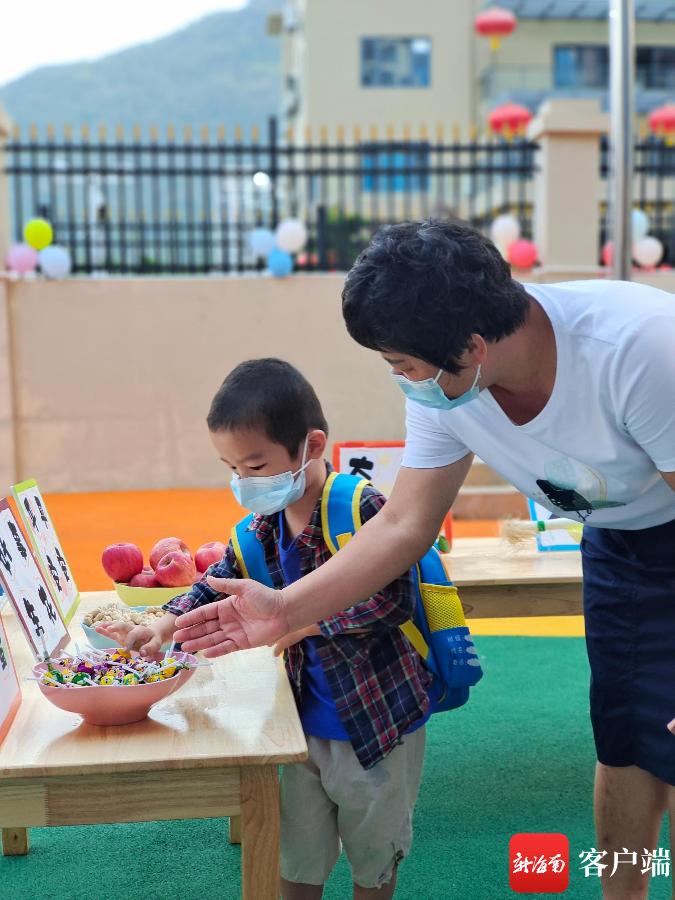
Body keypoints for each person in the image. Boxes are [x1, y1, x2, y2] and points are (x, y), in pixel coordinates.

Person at [174, 220, 675, 900]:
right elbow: (406, 525)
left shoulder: (639, 350)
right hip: (618, 538)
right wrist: (285, 608)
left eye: (403, 365)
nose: (402, 381)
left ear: (470, 345)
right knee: (624, 732)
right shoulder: (447, 387)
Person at [98, 357, 432, 900]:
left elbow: (393, 601)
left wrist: (304, 621)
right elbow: (216, 582)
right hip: (298, 729)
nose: (242, 482)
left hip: (379, 723)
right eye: (230, 468)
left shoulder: (361, 507)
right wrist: (163, 623)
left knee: (373, 859)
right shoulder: (260, 527)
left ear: (312, 445)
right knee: (297, 857)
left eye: (255, 468)